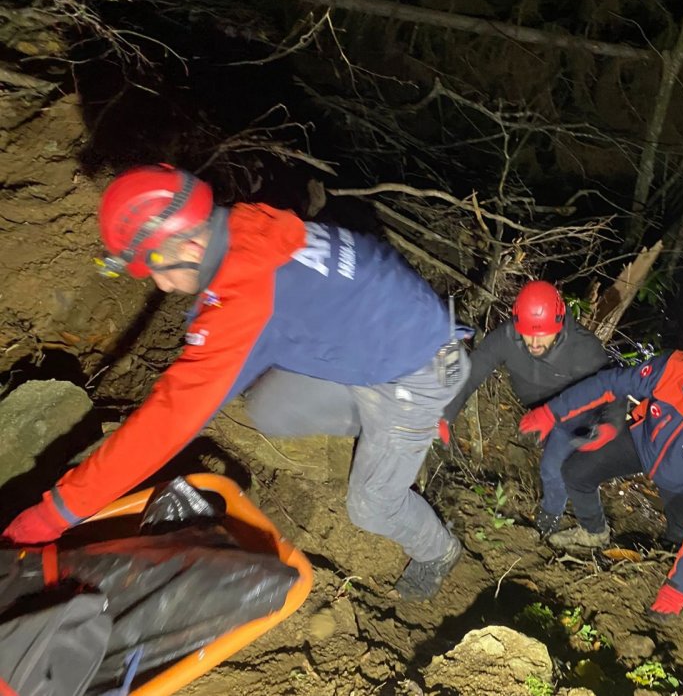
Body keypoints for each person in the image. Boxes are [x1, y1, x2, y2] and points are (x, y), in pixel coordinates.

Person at [1, 164, 470, 602]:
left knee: (370, 507)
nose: (161, 286)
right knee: (270, 408)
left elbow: (166, 424)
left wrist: (56, 512)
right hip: (386, 335)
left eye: (156, 270)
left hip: (415, 372)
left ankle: (439, 549)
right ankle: (394, 430)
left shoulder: (248, 296)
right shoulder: (244, 223)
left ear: (186, 247)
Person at [518, 332, 683, 619]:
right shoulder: (674, 367)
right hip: (642, 441)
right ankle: (594, 532)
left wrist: (678, 587)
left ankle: (665, 564)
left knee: (681, 537)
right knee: (575, 473)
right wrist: (552, 412)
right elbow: (610, 383)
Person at [439, 280, 613, 535]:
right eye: (527, 332)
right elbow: (475, 369)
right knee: (556, 460)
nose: (533, 341)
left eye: (542, 334)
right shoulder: (508, 337)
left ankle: (551, 519)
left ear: (559, 325)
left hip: (578, 410)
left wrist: (612, 423)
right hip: (540, 410)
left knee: (553, 467)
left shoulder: (584, 348)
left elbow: (614, 386)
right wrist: (445, 414)